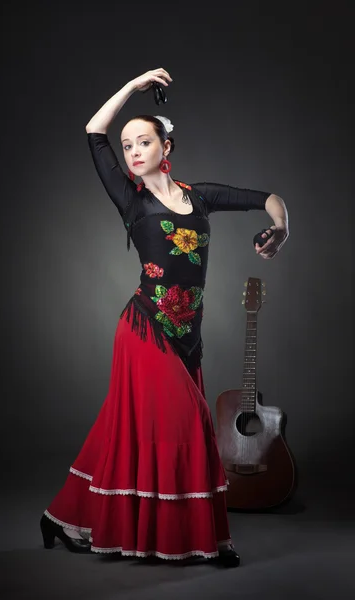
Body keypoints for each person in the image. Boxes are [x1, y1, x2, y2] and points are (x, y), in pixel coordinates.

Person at [40, 68, 289, 566]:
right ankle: (206, 540)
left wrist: (280, 228)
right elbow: (94, 130)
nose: (131, 151)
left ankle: (58, 518)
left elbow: (268, 200)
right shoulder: (131, 201)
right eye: (127, 144)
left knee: (121, 430)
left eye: (142, 141)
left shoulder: (201, 197)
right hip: (145, 330)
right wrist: (134, 87)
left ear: (165, 147)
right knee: (192, 421)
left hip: (187, 338)